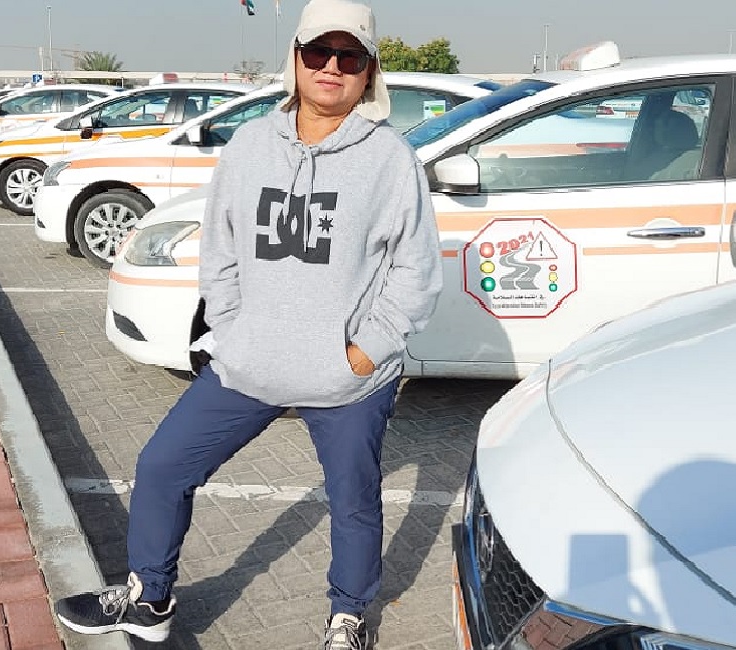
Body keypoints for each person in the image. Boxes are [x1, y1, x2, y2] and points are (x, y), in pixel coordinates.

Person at [52, 0, 443, 648]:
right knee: (162, 466)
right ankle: (149, 599)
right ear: (295, 59)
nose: (332, 67)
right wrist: (233, 332)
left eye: (349, 57)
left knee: (353, 501)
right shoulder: (250, 147)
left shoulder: (389, 159)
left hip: (346, 380)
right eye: (318, 52)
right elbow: (220, 251)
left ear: (368, 73)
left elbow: (416, 270)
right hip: (248, 364)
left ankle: (348, 617)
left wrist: (365, 352)